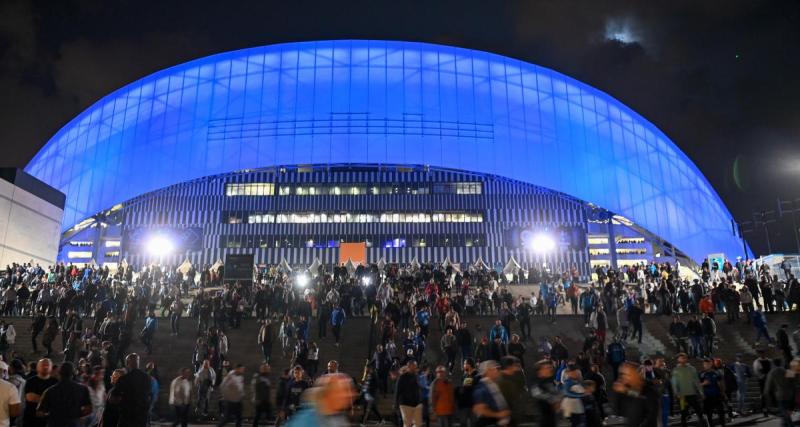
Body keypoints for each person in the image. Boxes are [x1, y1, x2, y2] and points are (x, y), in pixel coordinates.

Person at [284, 373, 356, 427]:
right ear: (329, 393)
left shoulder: (339, 418)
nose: (349, 395)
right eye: (343, 391)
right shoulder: (306, 420)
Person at [36, 362, 91, 427]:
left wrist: (50, 415)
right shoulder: (83, 389)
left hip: (55, 423)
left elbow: (39, 413)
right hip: (74, 424)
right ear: (73, 374)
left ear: (59, 374)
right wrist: (77, 415)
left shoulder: (50, 391)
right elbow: (89, 408)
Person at [110, 353, 152, 427]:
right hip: (142, 416)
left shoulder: (124, 379)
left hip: (127, 416)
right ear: (138, 362)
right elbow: (149, 395)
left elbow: (113, 399)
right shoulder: (147, 378)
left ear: (127, 363)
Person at [612, 362, 659, 427]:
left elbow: (651, 415)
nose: (625, 378)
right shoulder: (627, 390)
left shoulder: (649, 389)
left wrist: (627, 391)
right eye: (623, 375)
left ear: (636, 374)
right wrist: (617, 393)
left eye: (628, 375)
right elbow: (618, 411)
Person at [472, 360, 510, 427]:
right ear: (487, 371)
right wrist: (498, 415)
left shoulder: (493, 385)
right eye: (494, 368)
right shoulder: (482, 388)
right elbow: (478, 409)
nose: (497, 371)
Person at [671, 353, 705, 427]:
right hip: (682, 397)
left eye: (684, 358)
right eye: (681, 358)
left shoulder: (692, 369)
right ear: (678, 359)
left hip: (692, 394)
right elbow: (674, 383)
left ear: (686, 359)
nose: (683, 359)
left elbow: (696, 381)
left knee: (699, 412)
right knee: (684, 414)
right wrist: (676, 393)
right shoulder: (676, 370)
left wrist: (701, 392)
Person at [22, 358, 57, 427]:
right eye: (43, 365)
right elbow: (30, 397)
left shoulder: (55, 382)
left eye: (47, 365)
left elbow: (58, 399)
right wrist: (50, 400)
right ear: (38, 367)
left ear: (51, 367)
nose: (45, 367)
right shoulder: (31, 381)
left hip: (48, 420)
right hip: (31, 418)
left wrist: (40, 398)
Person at [396, 360, 423, 427]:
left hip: (416, 404)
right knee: (407, 424)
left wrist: (420, 400)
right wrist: (396, 405)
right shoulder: (402, 378)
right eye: (413, 366)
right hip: (405, 404)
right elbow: (398, 391)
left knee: (418, 424)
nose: (415, 368)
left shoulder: (416, 376)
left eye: (415, 366)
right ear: (408, 366)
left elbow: (418, 389)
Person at [699, 358, 726, 427]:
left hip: (717, 396)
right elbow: (697, 385)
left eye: (708, 364)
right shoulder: (701, 374)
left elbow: (721, 383)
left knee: (721, 413)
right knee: (709, 414)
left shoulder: (716, 373)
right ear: (703, 365)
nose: (707, 365)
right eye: (705, 364)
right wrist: (703, 384)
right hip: (707, 397)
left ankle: (723, 425)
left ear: (711, 364)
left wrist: (723, 392)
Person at [455, 358, 479, 427]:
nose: (464, 365)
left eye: (465, 364)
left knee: (474, 423)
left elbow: (470, 388)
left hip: (473, 405)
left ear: (469, 365)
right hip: (464, 405)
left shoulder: (476, 375)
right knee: (463, 423)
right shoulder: (464, 375)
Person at [252, 363, 272, 427]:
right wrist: (259, 399)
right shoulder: (258, 377)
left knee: (264, 415)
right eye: (265, 368)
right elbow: (256, 388)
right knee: (257, 415)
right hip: (259, 400)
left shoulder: (266, 377)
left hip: (264, 400)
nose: (268, 369)